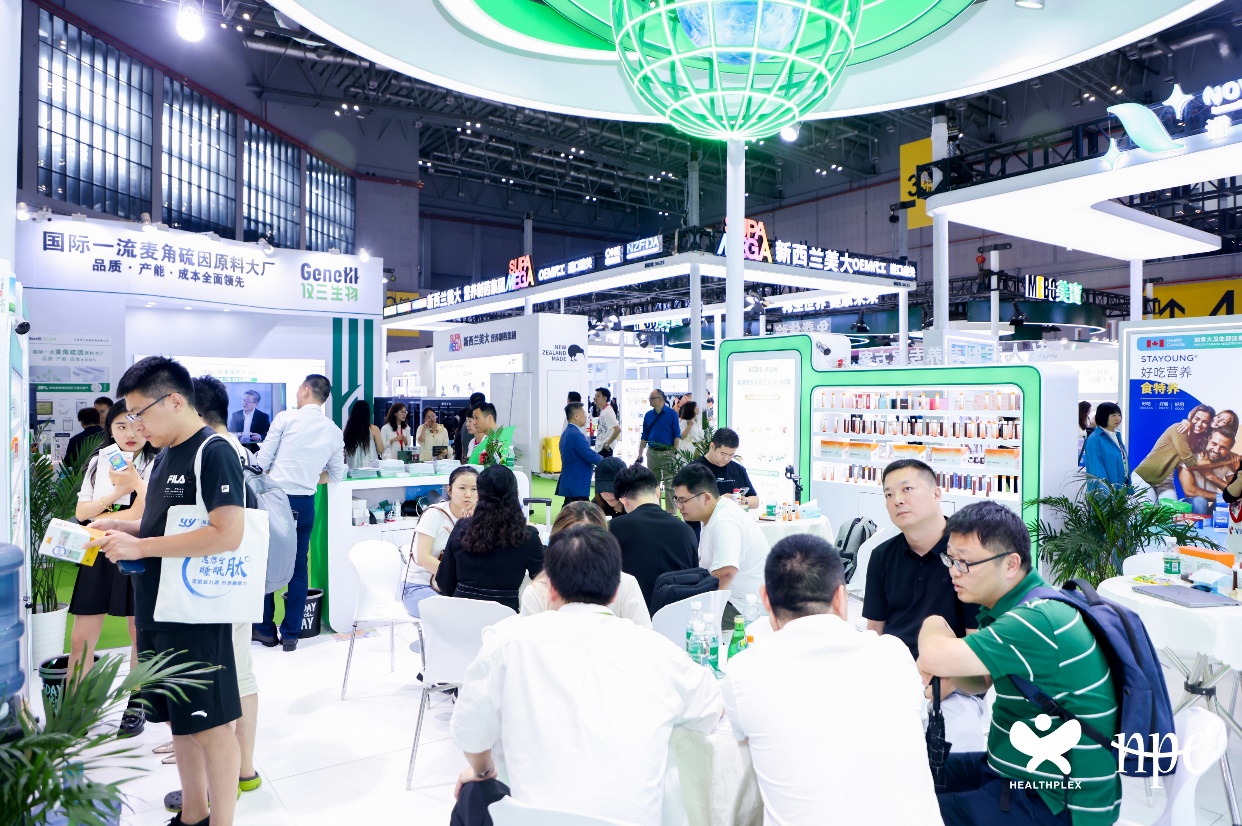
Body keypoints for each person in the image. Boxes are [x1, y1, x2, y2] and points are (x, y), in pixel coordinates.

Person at [450, 524, 723, 825]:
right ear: (616, 590)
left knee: (473, 794)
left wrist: (483, 771)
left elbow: (470, 734)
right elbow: (712, 709)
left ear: (550, 588)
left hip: (528, 820)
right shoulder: (660, 652)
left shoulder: (505, 643)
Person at [92, 356, 245, 826]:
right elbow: (165, 527)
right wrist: (126, 527)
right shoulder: (163, 455)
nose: (135, 426)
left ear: (175, 401)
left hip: (194, 614)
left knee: (210, 725)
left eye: (141, 414)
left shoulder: (213, 451)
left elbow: (227, 534)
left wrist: (140, 547)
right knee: (180, 721)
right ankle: (193, 814)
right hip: (156, 607)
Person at [917, 501, 1121, 826]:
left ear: (1011, 564)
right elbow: (980, 681)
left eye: (965, 562)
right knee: (910, 773)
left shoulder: (1034, 621)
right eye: (950, 559)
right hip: (1016, 769)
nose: (954, 571)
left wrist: (934, 623)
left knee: (911, 808)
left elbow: (933, 655)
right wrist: (951, 669)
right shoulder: (1024, 604)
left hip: (1059, 801)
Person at [722, 535, 942, 826]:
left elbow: (737, 739)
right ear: (840, 597)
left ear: (766, 599)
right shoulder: (894, 654)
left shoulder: (744, 671)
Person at [159, 374, 264, 807]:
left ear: (193, 410)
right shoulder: (234, 447)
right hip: (227, 579)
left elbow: (221, 528)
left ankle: (227, 776)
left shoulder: (215, 450)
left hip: (215, 581)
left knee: (229, 675)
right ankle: (242, 770)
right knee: (240, 670)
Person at [862, 459, 984, 753]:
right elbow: (874, 632)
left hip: (954, 682)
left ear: (936, 493)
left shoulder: (968, 555)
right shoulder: (881, 556)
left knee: (954, 750)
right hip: (895, 676)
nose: (897, 500)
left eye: (907, 489)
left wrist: (936, 688)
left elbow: (976, 645)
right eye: (889, 494)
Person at [68, 399, 157, 736]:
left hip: (136, 551)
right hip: (96, 552)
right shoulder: (98, 461)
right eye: (121, 426)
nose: (130, 433)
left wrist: (107, 511)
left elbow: (142, 514)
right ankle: (75, 709)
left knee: (139, 635)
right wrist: (117, 493)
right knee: (81, 638)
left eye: (136, 425)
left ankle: (136, 705)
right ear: (110, 429)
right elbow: (81, 513)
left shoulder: (156, 462)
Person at [252, 374, 347, 651]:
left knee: (267, 562)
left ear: (305, 390)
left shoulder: (285, 418)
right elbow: (337, 474)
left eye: (297, 390)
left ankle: (265, 630)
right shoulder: (333, 430)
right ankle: (291, 634)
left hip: (275, 501)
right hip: (304, 503)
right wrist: (308, 478)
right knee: (298, 567)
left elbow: (261, 462)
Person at [520, 502, 650, 627]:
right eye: (570, 538)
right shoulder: (537, 591)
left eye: (590, 539)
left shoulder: (626, 584)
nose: (580, 546)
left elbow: (643, 634)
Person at [436, 464, 543, 613]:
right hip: (504, 618)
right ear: (516, 494)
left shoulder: (462, 528)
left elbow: (444, 580)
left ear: (479, 495)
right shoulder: (527, 535)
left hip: (461, 615)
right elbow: (544, 582)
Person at [672, 463, 768, 626]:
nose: (679, 507)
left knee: (683, 622)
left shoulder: (724, 521)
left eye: (683, 500)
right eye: (677, 500)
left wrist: (707, 609)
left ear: (706, 498)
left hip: (743, 608)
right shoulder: (714, 512)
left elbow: (726, 572)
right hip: (735, 598)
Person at [610, 464, 699, 608]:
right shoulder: (686, 530)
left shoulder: (614, 528)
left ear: (624, 501)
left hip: (631, 612)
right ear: (657, 491)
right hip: (677, 612)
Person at [402, 466, 478, 617]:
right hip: (420, 586)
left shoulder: (479, 518)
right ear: (449, 490)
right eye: (462, 488)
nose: (468, 494)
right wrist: (456, 576)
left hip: (456, 588)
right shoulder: (434, 514)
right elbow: (423, 558)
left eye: (474, 489)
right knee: (452, 615)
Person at [1133, 403, 1238, 500]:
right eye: (1218, 416)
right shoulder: (1180, 429)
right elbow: (1191, 464)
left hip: (1165, 481)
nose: (1199, 424)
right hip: (1146, 476)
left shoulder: (1203, 440)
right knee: (1151, 510)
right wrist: (1225, 462)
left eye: (1223, 421)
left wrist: (1229, 457)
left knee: (1170, 512)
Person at [689, 427, 760, 511]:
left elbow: (755, 501)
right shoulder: (693, 470)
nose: (726, 459)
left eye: (731, 455)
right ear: (712, 446)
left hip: (733, 518)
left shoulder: (738, 469)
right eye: (723, 453)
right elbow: (689, 503)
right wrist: (720, 501)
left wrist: (743, 501)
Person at [636, 389, 680, 512]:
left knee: (670, 484)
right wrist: (640, 453)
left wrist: (674, 451)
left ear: (660, 399)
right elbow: (644, 435)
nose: (649, 400)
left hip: (667, 452)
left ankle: (671, 513)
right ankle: (656, 511)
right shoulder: (648, 415)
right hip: (652, 452)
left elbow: (676, 434)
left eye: (652, 398)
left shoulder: (672, 414)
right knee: (653, 484)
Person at [1180, 428, 1237, 515]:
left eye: (1223, 447)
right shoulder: (1190, 458)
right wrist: (1221, 497)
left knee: (1229, 503)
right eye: (1214, 444)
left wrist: (1212, 477)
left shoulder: (1226, 463)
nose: (1216, 450)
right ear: (1208, 441)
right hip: (1188, 505)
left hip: (1208, 508)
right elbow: (1190, 491)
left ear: (1229, 450)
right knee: (1200, 502)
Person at [556, 401, 602, 505]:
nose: (586, 417)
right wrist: (605, 461)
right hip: (577, 482)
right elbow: (588, 455)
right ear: (576, 416)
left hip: (572, 481)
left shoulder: (567, 432)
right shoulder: (576, 434)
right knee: (580, 510)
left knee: (571, 509)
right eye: (583, 414)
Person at [1081, 402, 1129, 493]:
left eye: (1119, 415)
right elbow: (1096, 470)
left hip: (1120, 490)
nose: (1118, 418)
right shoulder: (1095, 439)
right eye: (1113, 415)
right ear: (1103, 416)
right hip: (1105, 493)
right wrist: (1105, 493)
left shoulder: (1116, 435)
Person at [342, 399, 383, 470]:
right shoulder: (374, 429)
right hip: (370, 469)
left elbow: (345, 452)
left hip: (352, 468)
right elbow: (380, 450)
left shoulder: (348, 430)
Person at [455, 392, 485, 462]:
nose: (468, 424)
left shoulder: (464, 425)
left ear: (470, 405)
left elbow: (462, 448)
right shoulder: (483, 424)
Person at [593, 387, 619, 457]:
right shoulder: (604, 410)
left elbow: (617, 429)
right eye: (595, 396)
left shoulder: (608, 412)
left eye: (598, 396)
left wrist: (607, 443)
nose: (595, 398)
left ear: (604, 398)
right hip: (600, 446)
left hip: (605, 448)